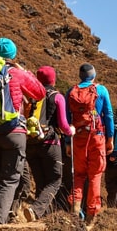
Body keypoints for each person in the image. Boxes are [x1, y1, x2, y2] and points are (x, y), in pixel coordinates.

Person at [0, 37, 45, 224]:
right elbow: (39, 93)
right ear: (12, 55)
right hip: (14, 132)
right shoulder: (16, 72)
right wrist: (26, 72)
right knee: (9, 179)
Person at [23, 66, 75, 222]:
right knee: (55, 180)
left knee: (41, 181)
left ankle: (41, 217)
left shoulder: (30, 95)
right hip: (50, 142)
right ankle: (35, 210)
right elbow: (64, 125)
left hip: (30, 142)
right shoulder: (57, 96)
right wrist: (71, 131)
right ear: (53, 79)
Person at [65, 63, 114, 228]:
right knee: (95, 175)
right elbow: (108, 115)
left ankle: (75, 209)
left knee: (79, 175)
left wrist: (67, 142)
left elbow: (66, 120)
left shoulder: (71, 92)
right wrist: (110, 139)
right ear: (93, 75)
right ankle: (91, 216)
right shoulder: (101, 90)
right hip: (96, 137)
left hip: (78, 137)